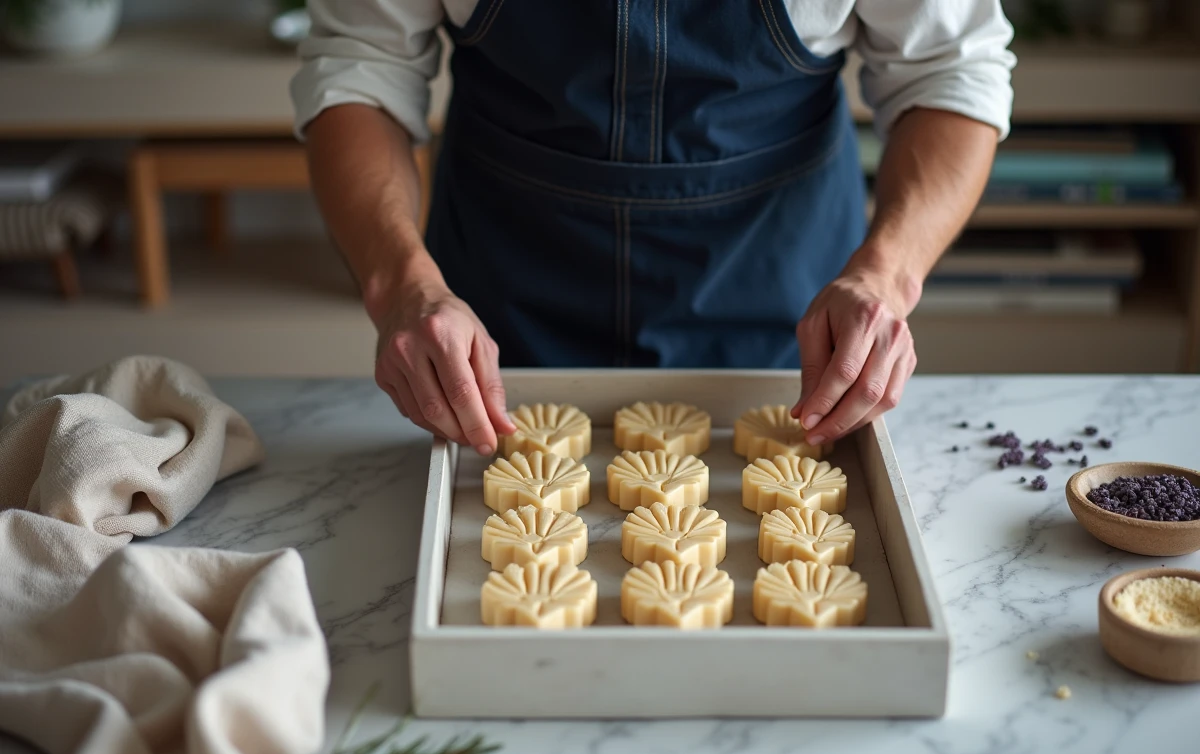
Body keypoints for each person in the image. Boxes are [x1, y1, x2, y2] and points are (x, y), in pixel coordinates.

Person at [290, 1, 1015, 457]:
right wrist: (400, 285)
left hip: (784, 314)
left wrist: (888, 274)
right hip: (496, 319)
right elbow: (362, 62)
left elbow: (948, 69)